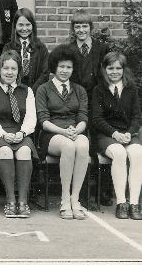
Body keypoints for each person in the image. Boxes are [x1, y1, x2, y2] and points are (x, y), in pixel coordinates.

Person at [36, 44, 90, 220]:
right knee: (68, 146)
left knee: (83, 144)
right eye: (61, 66)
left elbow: (83, 117)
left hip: (75, 132)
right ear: (54, 67)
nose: (65, 71)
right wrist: (64, 132)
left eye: (69, 67)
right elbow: (44, 121)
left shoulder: (80, 90)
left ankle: (76, 199)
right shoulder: (44, 89)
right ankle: (65, 199)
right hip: (52, 135)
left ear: (73, 69)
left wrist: (76, 130)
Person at [0, 50, 38, 218]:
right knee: (5, 151)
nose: (9, 72)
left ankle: (22, 201)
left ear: (18, 71)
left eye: (13, 69)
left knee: (24, 151)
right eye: (6, 68)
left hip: (20, 133)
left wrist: (22, 132)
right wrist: (3, 134)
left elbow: (31, 118)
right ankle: (10, 201)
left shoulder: (27, 91)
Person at [68, 9, 111, 205]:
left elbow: (107, 76)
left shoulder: (101, 49)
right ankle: (84, 192)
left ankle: (103, 191)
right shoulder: (69, 50)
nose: (81, 30)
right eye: (77, 26)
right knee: (83, 145)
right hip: (78, 103)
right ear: (73, 29)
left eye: (84, 26)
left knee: (98, 146)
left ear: (90, 28)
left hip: (98, 103)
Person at [91, 52, 142, 220]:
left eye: (118, 68)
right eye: (110, 68)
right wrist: (114, 133)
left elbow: (136, 117)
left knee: (137, 153)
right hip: (106, 135)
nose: (114, 72)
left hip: (127, 134)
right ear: (104, 69)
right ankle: (121, 202)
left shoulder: (131, 89)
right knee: (119, 153)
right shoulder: (99, 90)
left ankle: (134, 203)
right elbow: (97, 119)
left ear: (123, 69)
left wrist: (129, 133)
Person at [2, 8, 49, 92]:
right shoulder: (8, 47)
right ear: (15, 26)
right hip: (14, 91)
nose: (24, 29)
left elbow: (45, 73)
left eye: (28, 25)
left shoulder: (41, 48)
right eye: (20, 25)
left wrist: (32, 91)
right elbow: (4, 71)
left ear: (33, 26)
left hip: (35, 92)